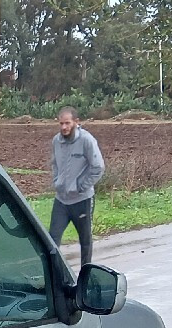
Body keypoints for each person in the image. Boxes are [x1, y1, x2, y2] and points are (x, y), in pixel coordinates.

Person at [48, 107, 106, 267]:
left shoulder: (87, 141)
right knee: (51, 240)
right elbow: (54, 164)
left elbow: (98, 168)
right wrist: (57, 181)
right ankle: (55, 276)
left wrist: (81, 186)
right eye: (61, 123)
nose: (64, 127)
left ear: (76, 122)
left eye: (67, 123)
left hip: (82, 200)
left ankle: (85, 276)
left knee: (85, 241)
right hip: (61, 200)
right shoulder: (56, 141)